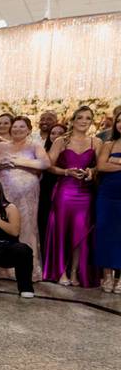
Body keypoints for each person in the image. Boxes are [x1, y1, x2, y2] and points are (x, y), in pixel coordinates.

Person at [0, 116, 50, 281]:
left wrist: (19, 161)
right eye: (15, 126)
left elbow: (45, 164)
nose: (17, 129)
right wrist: (0, 160)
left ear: (29, 130)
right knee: (3, 226)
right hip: (5, 193)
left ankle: (27, 270)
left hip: (28, 196)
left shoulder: (35, 146)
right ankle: (3, 269)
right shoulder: (2, 146)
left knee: (27, 228)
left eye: (22, 127)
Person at [43, 106, 99, 287]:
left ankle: (74, 271)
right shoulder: (62, 141)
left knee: (80, 233)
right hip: (65, 192)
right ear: (73, 121)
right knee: (61, 231)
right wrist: (66, 172)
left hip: (85, 194)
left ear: (91, 122)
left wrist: (91, 171)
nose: (84, 121)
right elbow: (48, 165)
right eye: (80, 117)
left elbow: (100, 166)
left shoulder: (96, 142)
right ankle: (60, 271)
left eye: (88, 118)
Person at [96, 110, 121, 292]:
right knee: (105, 232)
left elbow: (108, 164)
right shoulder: (109, 144)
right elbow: (101, 166)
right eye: (119, 121)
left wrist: (115, 162)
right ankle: (107, 275)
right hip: (107, 194)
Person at [37, 123, 68, 254]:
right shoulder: (42, 151)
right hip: (45, 189)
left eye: (60, 133)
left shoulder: (68, 151)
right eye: (53, 133)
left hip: (63, 187)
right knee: (44, 221)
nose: (56, 136)